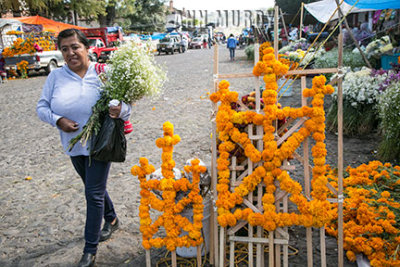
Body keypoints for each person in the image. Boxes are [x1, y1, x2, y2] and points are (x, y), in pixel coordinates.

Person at [36, 28, 131, 267]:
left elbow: (128, 106)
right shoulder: (55, 77)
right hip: (73, 145)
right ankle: (111, 219)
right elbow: (42, 108)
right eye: (65, 49)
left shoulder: (104, 73)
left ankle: (90, 250)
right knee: (92, 186)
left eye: (75, 47)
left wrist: (121, 110)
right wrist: (58, 120)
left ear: (87, 48)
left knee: (93, 193)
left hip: (101, 144)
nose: (70, 53)